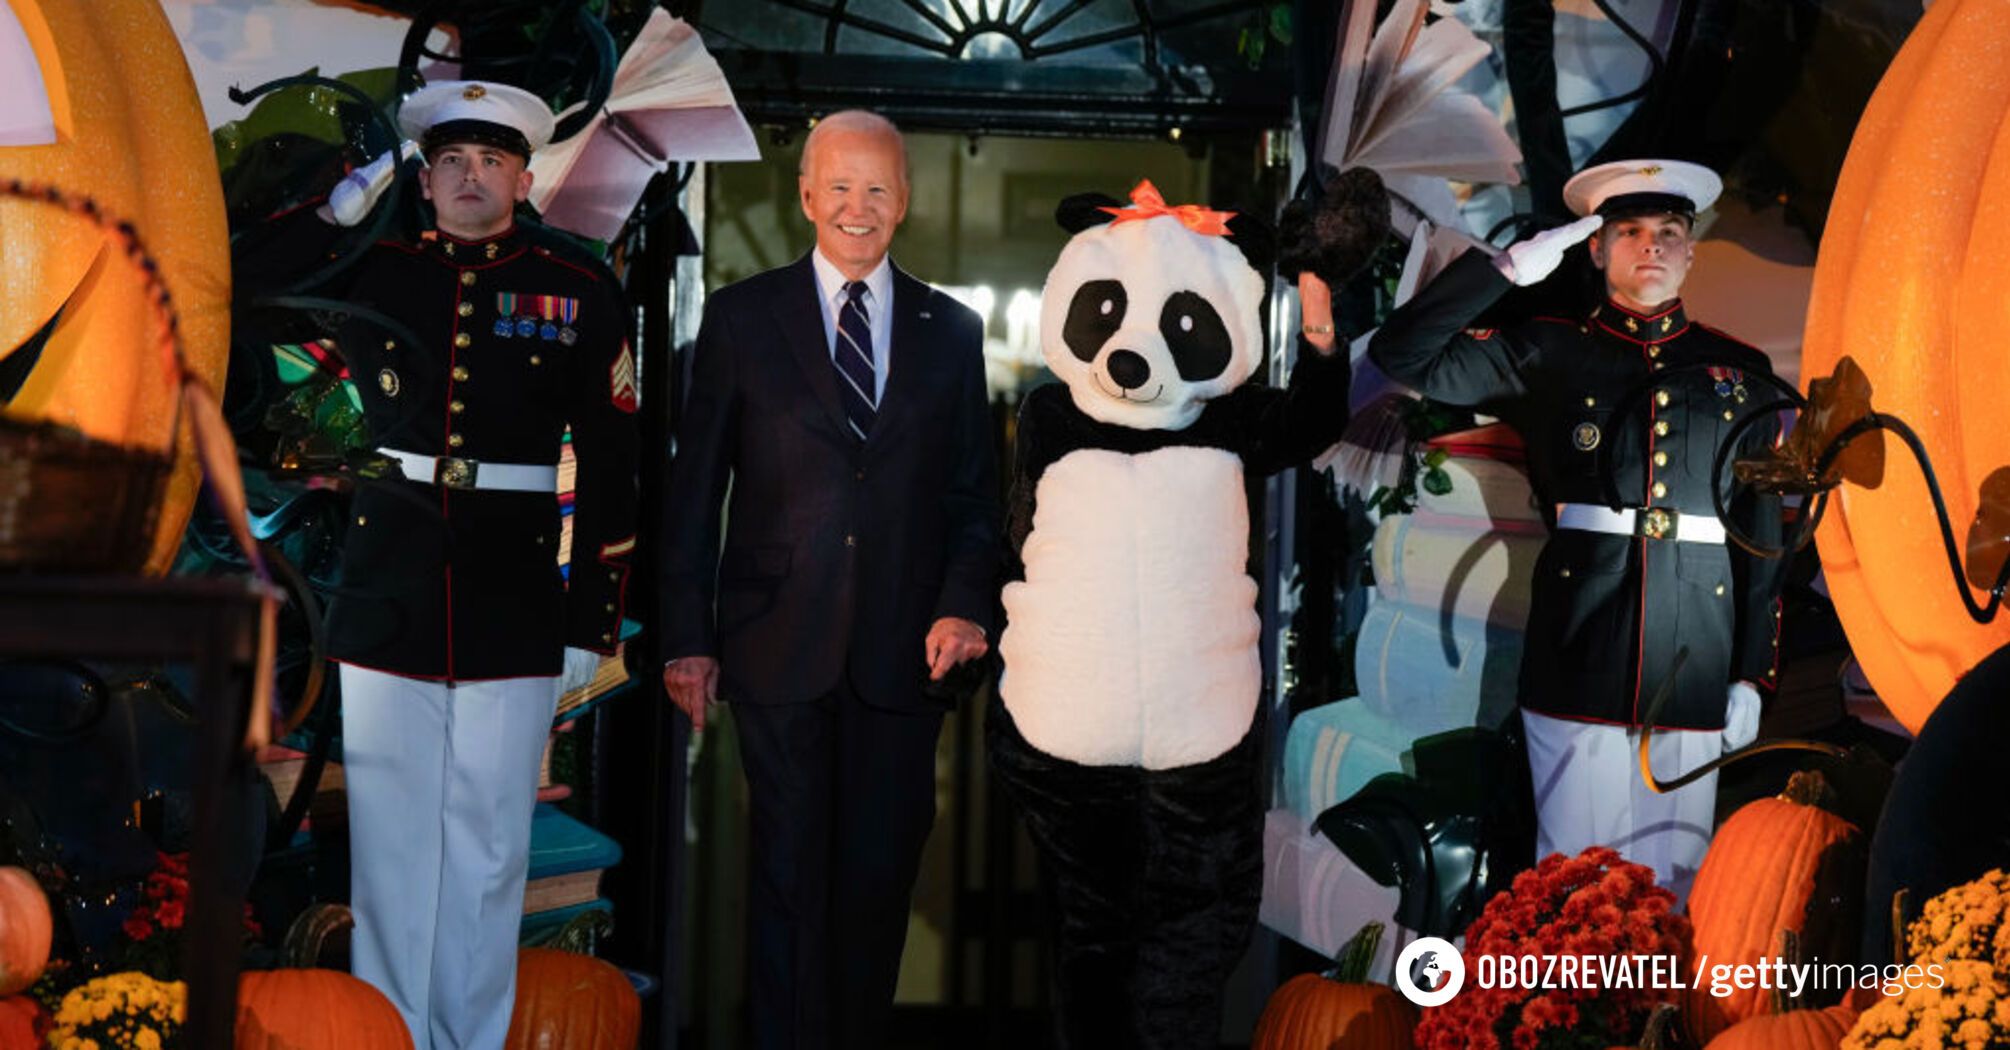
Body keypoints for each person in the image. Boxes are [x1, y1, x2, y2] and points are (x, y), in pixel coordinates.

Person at [247, 80, 638, 1048]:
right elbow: (251, 280)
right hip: (389, 576)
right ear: (425, 179)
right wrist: (347, 197)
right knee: (389, 843)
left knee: (490, 844)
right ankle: (391, 1035)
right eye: (452, 162)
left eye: (492, 162)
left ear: (525, 174)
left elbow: (618, 464)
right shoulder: (369, 263)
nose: (471, 179)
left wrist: (593, 617)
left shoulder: (580, 285)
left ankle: (468, 1037)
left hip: (512, 587)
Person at [658, 110, 999, 1049]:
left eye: (879, 188)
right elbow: (695, 492)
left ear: (907, 202)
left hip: (903, 660)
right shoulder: (739, 317)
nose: (859, 207)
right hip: (775, 642)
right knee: (788, 882)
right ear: (806, 194)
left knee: (877, 887)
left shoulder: (952, 330)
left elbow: (977, 499)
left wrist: (966, 606)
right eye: (840, 187)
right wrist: (688, 635)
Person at [1369, 160, 1783, 903]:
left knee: (1675, 885)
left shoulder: (1740, 373)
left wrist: (1752, 671)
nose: (1650, 246)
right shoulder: (1548, 350)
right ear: (1595, 250)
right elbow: (1403, 354)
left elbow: (1762, 541)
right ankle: (1569, 1019)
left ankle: (1653, 1023)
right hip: (1581, 644)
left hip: (1696, 651)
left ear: (1691, 251)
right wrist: (1501, 271)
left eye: (1668, 232)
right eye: (1628, 231)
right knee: (1574, 877)